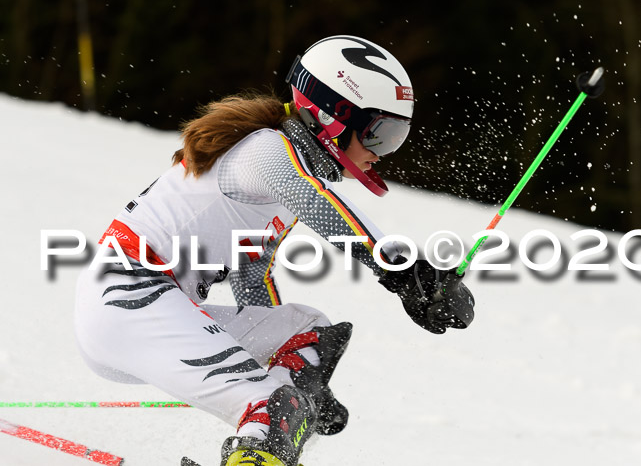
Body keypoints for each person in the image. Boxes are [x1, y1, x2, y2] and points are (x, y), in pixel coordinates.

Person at [74, 35, 475, 466]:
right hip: (131, 299)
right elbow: (316, 201)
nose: (384, 154)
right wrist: (402, 271)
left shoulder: (279, 172)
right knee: (277, 406)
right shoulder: (265, 151)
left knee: (308, 332)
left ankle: (273, 438)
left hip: (149, 307)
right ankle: (270, 425)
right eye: (381, 135)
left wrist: (301, 386)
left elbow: (253, 273)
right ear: (333, 117)